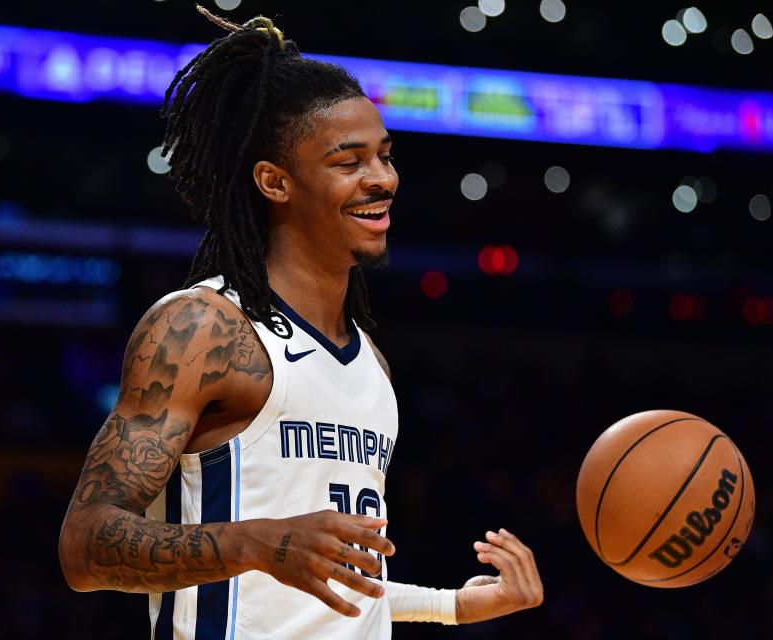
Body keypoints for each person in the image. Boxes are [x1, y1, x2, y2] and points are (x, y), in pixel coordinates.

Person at [58, 7, 543, 638]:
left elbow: (322, 580)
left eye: (385, 157)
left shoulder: (370, 359)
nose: (382, 180)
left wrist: (450, 605)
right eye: (350, 162)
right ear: (274, 181)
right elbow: (85, 547)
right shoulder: (202, 329)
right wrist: (255, 543)